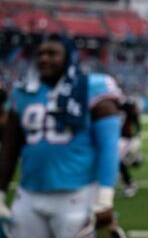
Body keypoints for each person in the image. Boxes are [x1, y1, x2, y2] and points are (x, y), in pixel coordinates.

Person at [0, 35, 122, 238]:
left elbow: (108, 146)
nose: (44, 59)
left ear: (68, 57)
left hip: (75, 195)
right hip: (29, 193)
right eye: (40, 54)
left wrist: (105, 195)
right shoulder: (23, 93)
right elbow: (10, 147)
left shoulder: (91, 87)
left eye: (52, 53)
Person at [118, 96, 142, 198]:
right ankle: (135, 159)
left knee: (118, 162)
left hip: (126, 139)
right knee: (118, 163)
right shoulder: (126, 111)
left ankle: (130, 184)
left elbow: (136, 128)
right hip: (123, 139)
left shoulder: (128, 111)